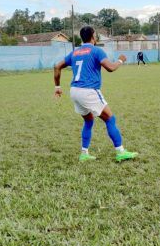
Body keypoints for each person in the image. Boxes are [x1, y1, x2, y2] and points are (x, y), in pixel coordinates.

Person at [53, 26, 138, 162]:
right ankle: (120, 151)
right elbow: (110, 68)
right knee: (110, 119)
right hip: (89, 91)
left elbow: (57, 66)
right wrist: (120, 60)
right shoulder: (96, 50)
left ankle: (84, 153)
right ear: (93, 36)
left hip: (74, 91)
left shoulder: (75, 52)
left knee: (88, 120)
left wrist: (57, 86)